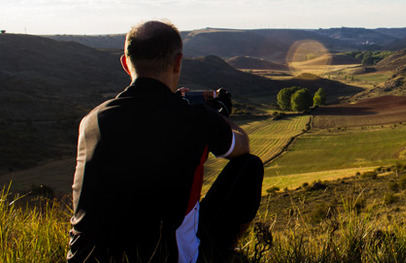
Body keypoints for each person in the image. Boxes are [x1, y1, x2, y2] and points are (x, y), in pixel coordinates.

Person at [68, 20, 264, 262]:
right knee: (250, 166)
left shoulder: (92, 120)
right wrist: (219, 116)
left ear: (125, 64)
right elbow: (241, 146)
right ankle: (222, 255)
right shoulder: (194, 118)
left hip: (85, 257)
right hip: (166, 256)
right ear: (178, 62)